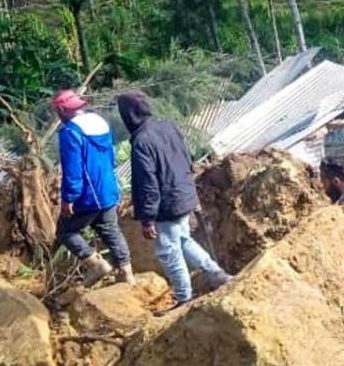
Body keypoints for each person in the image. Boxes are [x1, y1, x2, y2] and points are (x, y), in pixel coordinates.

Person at [116, 90, 231, 313]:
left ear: (128, 115)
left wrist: (148, 218)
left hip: (167, 204)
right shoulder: (168, 127)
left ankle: (184, 297)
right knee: (184, 239)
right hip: (184, 194)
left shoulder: (141, 141)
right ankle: (216, 274)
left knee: (168, 251)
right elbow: (186, 159)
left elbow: (147, 182)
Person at [52, 89, 134, 286]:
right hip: (108, 188)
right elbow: (111, 157)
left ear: (62, 110)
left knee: (66, 232)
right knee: (110, 229)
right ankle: (127, 274)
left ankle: (96, 265)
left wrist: (69, 198)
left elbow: (73, 168)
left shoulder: (70, 131)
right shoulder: (100, 123)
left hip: (88, 194)